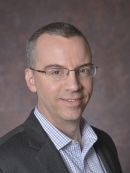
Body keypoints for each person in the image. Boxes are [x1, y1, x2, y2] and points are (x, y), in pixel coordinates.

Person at [0, 22, 122, 173]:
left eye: (83, 70)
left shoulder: (105, 143)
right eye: (56, 72)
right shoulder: (4, 161)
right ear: (31, 79)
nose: (74, 85)